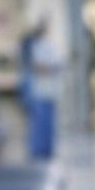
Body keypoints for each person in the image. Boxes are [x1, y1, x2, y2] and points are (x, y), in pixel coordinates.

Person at [27, 16, 63, 159]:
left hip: (50, 91)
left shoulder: (50, 44)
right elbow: (39, 66)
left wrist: (51, 67)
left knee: (49, 125)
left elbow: (58, 63)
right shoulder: (37, 45)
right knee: (40, 124)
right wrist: (50, 67)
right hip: (41, 91)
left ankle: (47, 150)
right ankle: (38, 151)